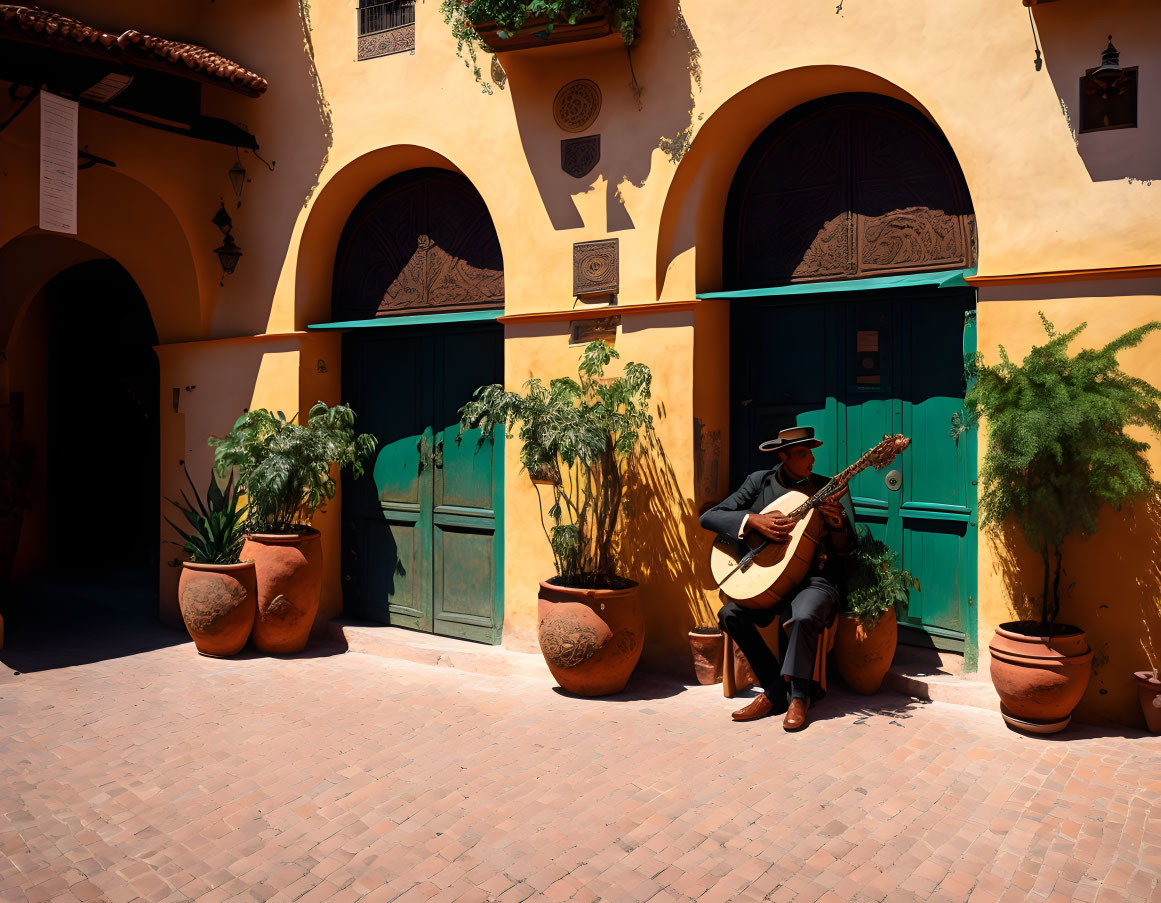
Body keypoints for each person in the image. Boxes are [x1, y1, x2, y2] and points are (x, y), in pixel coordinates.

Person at [700, 426, 855, 732]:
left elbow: (849, 545)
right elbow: (710, 517)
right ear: (783, 457)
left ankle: (797, 697)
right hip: (768, 579)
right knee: (730, 614)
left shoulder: (829, 488)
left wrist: (836, 523)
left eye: (811, 451)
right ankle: (774, 686)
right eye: (802, 453)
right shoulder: (760, 483)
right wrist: (751, 520)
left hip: (815, 580)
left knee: (803, 615)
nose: (811, 459)